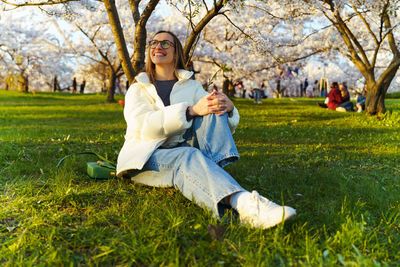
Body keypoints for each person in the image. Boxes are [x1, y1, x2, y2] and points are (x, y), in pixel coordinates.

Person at [116, 30, 296, 229]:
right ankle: (245, 204)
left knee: (212, 105)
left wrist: (228, 107)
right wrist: (191, 110)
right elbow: (142, 126)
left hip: (185, 147)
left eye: (165, 43)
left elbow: (217, 123)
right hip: (145, 157)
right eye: (154, 43)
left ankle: (210, 173)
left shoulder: (191, 87)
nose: (158, 47)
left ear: (176, 53)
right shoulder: (139, 88)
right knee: (186, 155)